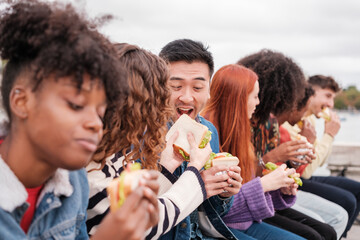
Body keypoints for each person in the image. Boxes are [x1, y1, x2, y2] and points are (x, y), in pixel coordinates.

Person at [0, 1, 159, 239]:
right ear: (21, 102)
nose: (95, 124)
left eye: (100, 111)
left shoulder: (74, 179)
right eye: (76, 105)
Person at [86, 43, 213, 239]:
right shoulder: (89, 168)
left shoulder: (112, 154)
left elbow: (134, 207)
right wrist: (195, 172)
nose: (162, 112)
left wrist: (166, 167)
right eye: (171, 89)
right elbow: (142, 227)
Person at [239, 50, 337, 240]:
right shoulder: (266, 126)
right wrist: (274, 159)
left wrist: (288, 169)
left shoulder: (271, 125)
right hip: (249, 205)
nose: (298, 112)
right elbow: (247, 178)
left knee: (325, 231)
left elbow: (280, 173)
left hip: (263, 199)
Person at [202, 64, 305, 240]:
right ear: (238, 100)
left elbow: (245, 187)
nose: (258, 103)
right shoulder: (208, 135)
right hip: (218, 226)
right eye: (255, 96)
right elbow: (219, 211)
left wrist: (279, 189)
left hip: (244, 222)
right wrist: (265, 184)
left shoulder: (242, 132)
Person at [159, 39, 243, 239]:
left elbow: (215, 212)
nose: (187, 97)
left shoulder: (208, 130)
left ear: (209, 91)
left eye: (197, 88)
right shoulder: (143, 135)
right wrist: (195, 182)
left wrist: (224, 193)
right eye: (176, 86)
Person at [282, 74, 360, 237]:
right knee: (347, 200)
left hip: (304, 172)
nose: (331, 104)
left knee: (357, 190)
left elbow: (321, 161)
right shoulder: (292, 119)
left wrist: (327, 135)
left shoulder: (311, 118)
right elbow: (307, 170)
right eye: (328, 96)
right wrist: (329, 136)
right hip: (297, 175)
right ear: (311, 92)